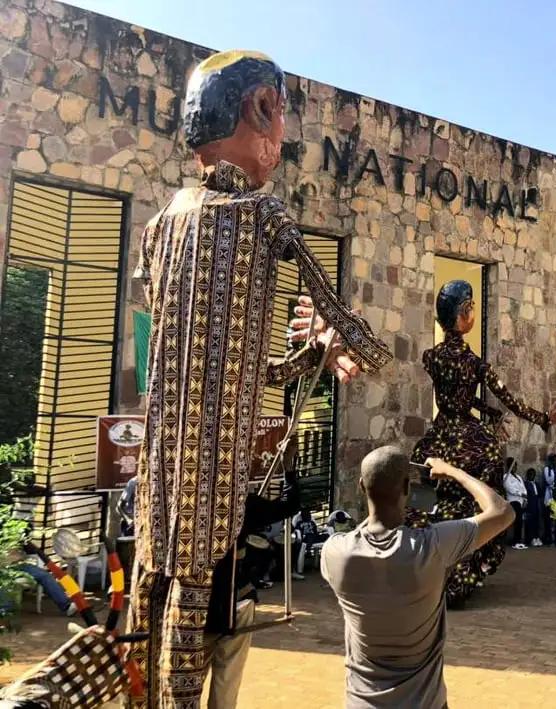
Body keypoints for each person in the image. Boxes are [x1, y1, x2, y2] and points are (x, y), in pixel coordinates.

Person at [128, 50, 390, 707]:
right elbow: (351, 327)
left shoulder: (161, 227)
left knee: (152, 588)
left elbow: (222, 362)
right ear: (261, 110)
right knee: (192, 598)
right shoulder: (262, 216)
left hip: (161, 471)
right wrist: (354, 347)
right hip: (211, 483)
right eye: (281, 113)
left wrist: (306, 358)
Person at [321, 448, 514, 708]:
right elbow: (502, 511)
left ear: (361, 486)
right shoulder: (431, 547)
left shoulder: (336, 553)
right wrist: (453, 472)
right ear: (406, 488)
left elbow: (363, 535)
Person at [410, 280, 556, 605]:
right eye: (472, 307)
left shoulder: (431, 357)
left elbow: (456, 398)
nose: (473, 312)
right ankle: (464, 566)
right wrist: (543, 418)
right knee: (486, 495)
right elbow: (511, 401)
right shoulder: (476, 364)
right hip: (468, 439)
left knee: (423, 503)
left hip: (439, 437)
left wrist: (488, 411)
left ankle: (416, 565)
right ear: (464, 314)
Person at [204, 464, 301, 709]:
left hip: (192, 606)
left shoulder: (181, 502)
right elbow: (289, 505)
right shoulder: (240, 504)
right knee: (227, 680)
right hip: (232, 603)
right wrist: (289, 471)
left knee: (189, 678)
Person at [503, 459, 528, 550]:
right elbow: (510, 489)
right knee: (518, 521)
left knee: (520, 521)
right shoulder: (506, 477)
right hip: (513, 501)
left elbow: (523, 488)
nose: (514, 468)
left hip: (521, 501)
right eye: (512, 466)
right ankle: (516, 542)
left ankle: (519, 541)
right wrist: (521, 494)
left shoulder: (518, 477)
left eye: (515, 466)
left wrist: (525, 498)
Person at [541, 454, 556, 544]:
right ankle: (548, 536)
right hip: (550, 493)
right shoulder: (547, 469)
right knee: (549, 514)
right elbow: (548, 480)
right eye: (553, 460)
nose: (554, 462)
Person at [524, 468, 542, 547]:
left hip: (536, 504)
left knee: (536, 521)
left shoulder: (536, 484)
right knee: (529, 522)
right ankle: (530, 538)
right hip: (529, 504)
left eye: (533, 474)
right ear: (527, 475)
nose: (532, 476)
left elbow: (540, 493)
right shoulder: (525, 484)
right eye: (530, 474)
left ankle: (536, 537)